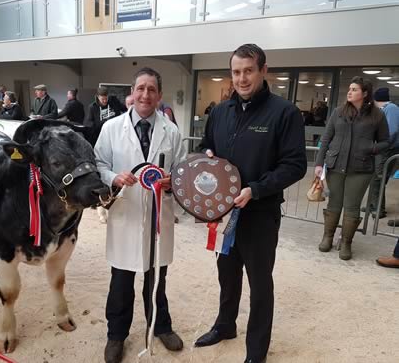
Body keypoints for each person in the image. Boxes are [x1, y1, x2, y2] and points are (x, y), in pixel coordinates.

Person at [195, 44, 307, 363]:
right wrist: (206, 158)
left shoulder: (283, 113)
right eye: (236, 71)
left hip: (259, 212)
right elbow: (207, 147)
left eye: (248, 71)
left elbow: (295, 164)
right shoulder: (220, 111)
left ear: (263, 71)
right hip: (225, 213)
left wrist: (255, 190)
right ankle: (225, 325)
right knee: (227, 274)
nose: (241, 78)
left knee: (260, 284)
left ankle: (256, 351)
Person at [95, 67, 186, 363]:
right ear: (131, 94)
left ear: (159, 96)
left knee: (156, 278)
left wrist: (173, 181)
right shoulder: (111, 128)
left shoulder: (171, 131)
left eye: (151, 89)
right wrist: (114, 177)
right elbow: (98, 163)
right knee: (120, 283)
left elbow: (181, 170)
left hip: (158, 217)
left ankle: (161, 326)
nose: (145, 94)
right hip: (126, 214)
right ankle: (116, 335)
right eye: (140, 89)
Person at [315, 77, 389, 260]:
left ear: (364, 93)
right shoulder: (338, 112)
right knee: (333, 204)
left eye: (354, 89)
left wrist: (370, 148)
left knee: (352, 206)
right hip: (335, 166)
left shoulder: (377, 115)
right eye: (349, 88)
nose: (349, 92)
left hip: (361, 168)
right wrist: (318, 163)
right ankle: (328, 237)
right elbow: (326, 139)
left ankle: (347, 242)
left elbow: (386, 142)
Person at [365, 87, 399, 219]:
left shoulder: (391, 109)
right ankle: (373, 205)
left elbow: (392, 132)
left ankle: (379, 209)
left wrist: (379, 146)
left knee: (379, 178)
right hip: (384, 149)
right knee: (375, 177)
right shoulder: (384, 110)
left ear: (375, 99)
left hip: (388, 150)